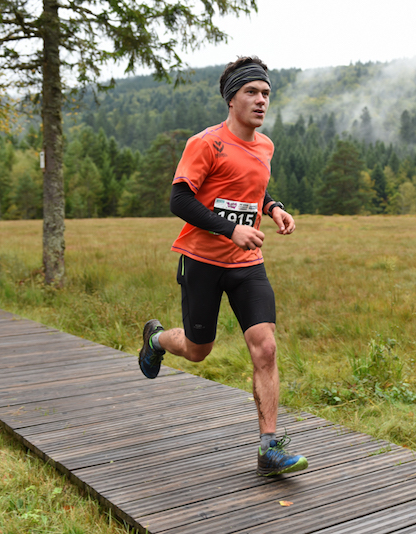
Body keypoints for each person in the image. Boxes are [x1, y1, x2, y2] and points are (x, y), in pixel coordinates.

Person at [137, 56, 308, 477]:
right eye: (252, 91)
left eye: (266, 93)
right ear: (232, 98)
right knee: (199, 351)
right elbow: (180, 199)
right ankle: (157, 339)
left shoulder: (265, 145)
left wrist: (274, 208)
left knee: (265, 347)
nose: (261, 100)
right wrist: (231, 230)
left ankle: (269, 448)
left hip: (248, 264)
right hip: (202, 262)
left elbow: (253, 188)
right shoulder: (205, 143)